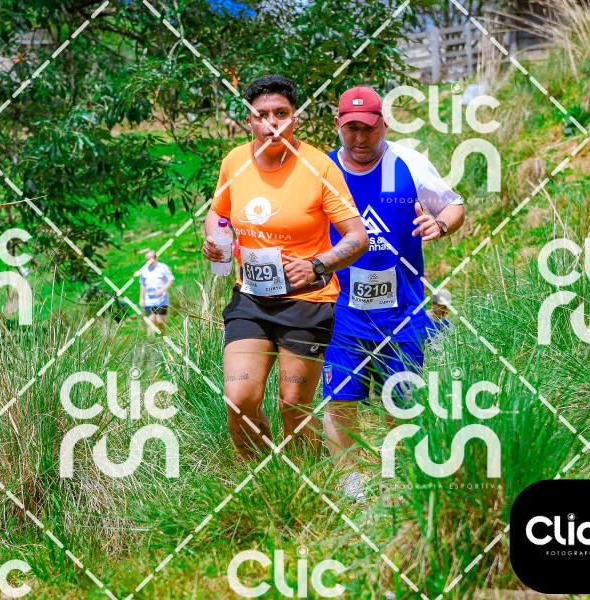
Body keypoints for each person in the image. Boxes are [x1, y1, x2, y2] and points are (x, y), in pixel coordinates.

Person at [201, 75, 368, 459]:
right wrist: (215, 240)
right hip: (251, 298)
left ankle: (306, 480)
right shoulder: (235, 162)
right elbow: (217, 213)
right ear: (249, 120)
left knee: (294, 404)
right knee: (239, 399)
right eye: (262, 115)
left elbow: (357, 237)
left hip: (307, 301)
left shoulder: (319, 167)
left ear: (295, 118)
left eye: (281, 113)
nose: (272, 123)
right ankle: (262, 480)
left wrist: (317, 265)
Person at [320, 86, 464, 501]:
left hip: (403, 308)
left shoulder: (408, 163)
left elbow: (454, 205)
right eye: (351, 128)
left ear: (383, 124)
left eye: (368, 128)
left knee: (401, 398)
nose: (360, 138)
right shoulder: (323, 170)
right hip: (341, 308)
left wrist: (440, 225)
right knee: (340, 399)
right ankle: (351, 483)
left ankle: (397, 479)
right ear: (338, 125)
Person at [138, 250, 174, 336]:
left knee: (160, 321)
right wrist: (141, 298)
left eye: (152, 258)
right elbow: (142, 285)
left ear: (156, 257)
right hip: (149, 300)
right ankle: (150, 340)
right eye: (148, 259)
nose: (150, 260)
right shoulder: (144, 269)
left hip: (162, 300)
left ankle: (163, 336)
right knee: (151, 320)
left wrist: (162, 290)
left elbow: (170, 280)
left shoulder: (163, 267)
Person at [425, 288, 454, 353]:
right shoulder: (424, 319)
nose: (445, 310)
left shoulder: (447, 323)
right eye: (442, 306)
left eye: (446, 306)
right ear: (434, 304)